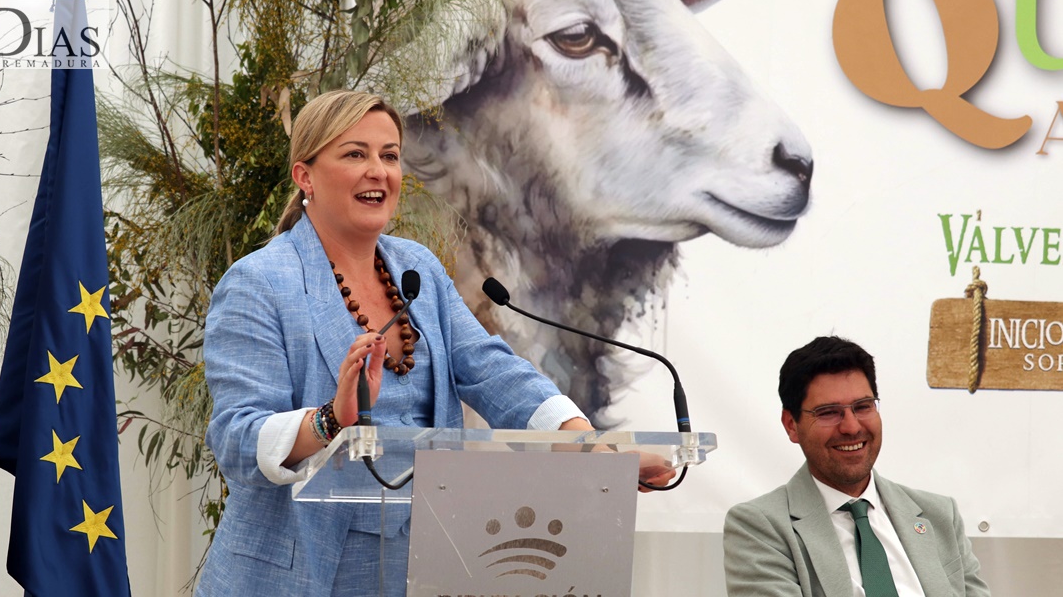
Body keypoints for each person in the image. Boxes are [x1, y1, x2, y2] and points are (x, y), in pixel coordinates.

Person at [196, 90, 674, 596]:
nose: (378, 170)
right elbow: (236, 440)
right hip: (291, 577)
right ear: (305, 176)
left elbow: (493, 371)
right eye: (355, 153)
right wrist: (331, 418)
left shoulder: (416, 268)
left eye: (390, 155)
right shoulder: (258, 282)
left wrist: (589, 447)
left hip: (418, 567)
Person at [723, 336, 990, 597]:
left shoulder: (939, 515)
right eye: (828, 412)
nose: (851, 427)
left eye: (863, 407)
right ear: (791, 425)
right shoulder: (759, 527)